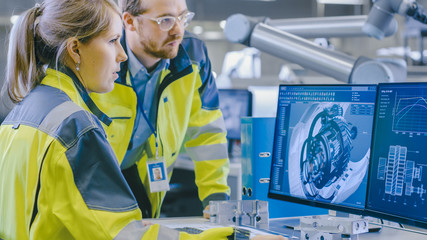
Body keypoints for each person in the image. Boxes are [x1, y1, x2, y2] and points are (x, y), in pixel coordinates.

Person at [0, 0, 263, 239]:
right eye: (113, 40)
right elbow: (126, 237)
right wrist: (233, 237)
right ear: (75, 50)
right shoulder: (75, 128)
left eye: (183, 17)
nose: (122, 54)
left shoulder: (23, 114)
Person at [91, 0, 231, 219]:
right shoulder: (102, 56)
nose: (178, 30)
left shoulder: (193, 56)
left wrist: (216, 199)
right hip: (94, 181)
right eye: (165, 20)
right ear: (129, 21)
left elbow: (207, 134)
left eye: (183, 18)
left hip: (141, 176)